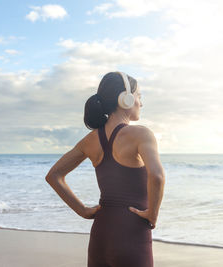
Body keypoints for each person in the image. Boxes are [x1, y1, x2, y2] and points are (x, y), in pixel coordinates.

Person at [45, 71, 166, 267]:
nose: (141, 103)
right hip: (132, 234)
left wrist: (83, 211)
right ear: (125, 99)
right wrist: (152, 213)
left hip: (100, 235)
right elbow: (157, 176)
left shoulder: (90, 140)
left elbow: (54, 176)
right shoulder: (141, 134)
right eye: (139, 96)